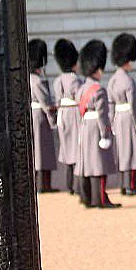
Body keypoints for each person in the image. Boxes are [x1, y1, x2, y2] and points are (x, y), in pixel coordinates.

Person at [76, 40, 120, 208]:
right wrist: (105, 134)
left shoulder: (81, 88)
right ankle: (100, 199)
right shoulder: (99, 90)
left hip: (85, 127)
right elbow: (103, 115)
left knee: (87, 164)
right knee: (99, 165)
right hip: (95, 128)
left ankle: (87, 198)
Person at [109, 33, 136, 196]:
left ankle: (123, 186)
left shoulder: (112, 80)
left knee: (123, 152)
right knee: (134, 151)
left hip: (118, 117)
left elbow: (110, 103)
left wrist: (111, 122)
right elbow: (134, 105)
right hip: (129, 118)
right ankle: (133, 185)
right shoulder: (128, 81)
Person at [52, 39, 84, 197]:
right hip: (74, 114)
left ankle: (69, 184)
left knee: (67, 148)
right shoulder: (75, 79)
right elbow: (80, 98)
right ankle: (78, 185)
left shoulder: (58, 80)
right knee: (77, 148)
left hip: (63, 114)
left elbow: (57, 100)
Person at [28, 38, 60, 193]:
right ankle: (44, 185)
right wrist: (53, 120)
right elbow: (46, 103)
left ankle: (37, 184)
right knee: (43, 152)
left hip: (32, 115)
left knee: (35, 151)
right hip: (40, 117)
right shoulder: (38, 81)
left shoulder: (28, 79)